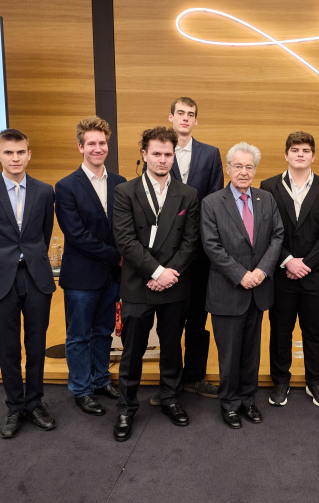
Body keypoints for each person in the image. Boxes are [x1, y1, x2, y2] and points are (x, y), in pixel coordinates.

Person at [111, 127, 200, 442]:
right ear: (144, 155)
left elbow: (191, 242)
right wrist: (155, 272)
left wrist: (169, 273)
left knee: (172, 347)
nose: (162, 159)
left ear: (174, 156)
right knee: (132, 351)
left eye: (168, 154)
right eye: (156, 153)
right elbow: (124, 239)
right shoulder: (125, 192)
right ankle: (125, 408)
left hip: (174, 284)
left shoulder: (187, 194)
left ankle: (170, 398)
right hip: (138, 283)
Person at [0, 128, 57, 438]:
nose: (15, 157)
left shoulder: (45, 192)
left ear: (29, 154)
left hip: (35, 277)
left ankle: (35, 403)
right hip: (0, 279)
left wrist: (29, 257)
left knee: (36, 345)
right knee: (8, 348)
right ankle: (14, 407)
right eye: (8, 152)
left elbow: (44, 235)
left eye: (20, 152)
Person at [201, 142, 283, 429]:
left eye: (249, 167)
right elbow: (212, 246)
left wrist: (261, 271)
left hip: (258, 290)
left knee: (251, 351)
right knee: (229, 354)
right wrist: (241, 274)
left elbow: (277, 236)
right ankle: (229, 404)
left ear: (255, 170)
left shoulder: (266, 199)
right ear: (228, 168)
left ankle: (248, 400)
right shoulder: (211, 203)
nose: (244, 172)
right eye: (238, 166)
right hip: (227, 291)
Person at [149, 96, 224, 402]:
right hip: (166, 257)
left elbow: (216, 200)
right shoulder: (160, 153)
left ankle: (194, 377)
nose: (184, 118)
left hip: (201, 255)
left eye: (190, 114)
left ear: (196, 121)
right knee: (169, 324)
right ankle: (171, 384)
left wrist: (200, 245)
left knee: (197, 320)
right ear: (171, 117)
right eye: (180, 113)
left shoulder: (210, 154)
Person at [260, 132, 319, 407]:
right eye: (295, 150)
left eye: (306, 150)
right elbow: (265, 231)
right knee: (280, 329)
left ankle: (314, 382)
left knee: (314, 331)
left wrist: (305, 263)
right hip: (281, 273)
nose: (300, 154)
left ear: (313, 156)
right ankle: (280, 381)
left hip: (316, 275)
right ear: (286, 155)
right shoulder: (268, 187)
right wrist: (287, 260)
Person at [55, 116, 126, 416]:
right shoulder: (67, 186)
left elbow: (124, 229)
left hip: (112, 277)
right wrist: (118, 256)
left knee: (103, 332)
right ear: (81, 147)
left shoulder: (121, 183)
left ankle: (100, 380)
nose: (98, 149)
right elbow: (77, 235)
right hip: (81, 278)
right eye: (91, 144)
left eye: (102, 143)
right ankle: (81, 389)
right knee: (79, 335)